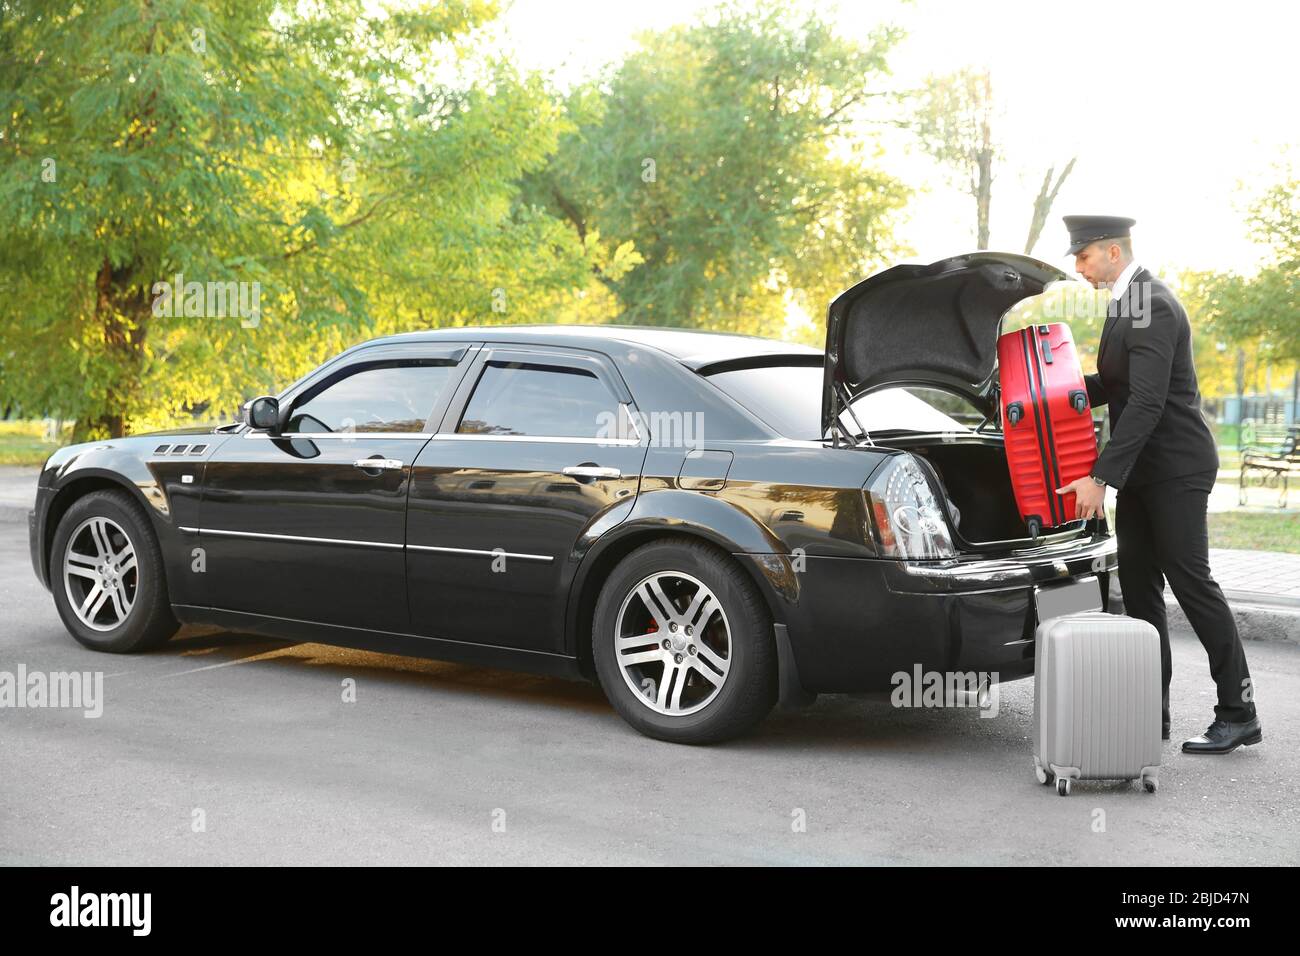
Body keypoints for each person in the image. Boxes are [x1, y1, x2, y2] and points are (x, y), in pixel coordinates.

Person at [1054, 214, 1262, 755]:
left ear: (1113, 254)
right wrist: (1057, 390)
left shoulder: (1153, 305)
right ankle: (1151, 714)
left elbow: (1146, 402)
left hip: (1176, 469)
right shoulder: (1128, 305)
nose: (1080, 269)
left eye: (1084, 258)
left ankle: (1239, 713)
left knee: (1193, 586)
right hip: (1145, 472)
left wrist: (1100, 476)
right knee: (1141, 592)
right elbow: (1117, 385)